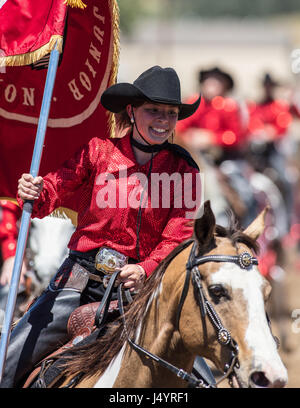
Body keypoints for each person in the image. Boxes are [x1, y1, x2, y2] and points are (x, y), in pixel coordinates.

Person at [0, 65, 201, 387]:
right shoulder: (97, 151)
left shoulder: (184, 169)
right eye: (154, 111)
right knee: (6, 364)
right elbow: (54, 188)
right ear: (132, 111)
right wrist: (35, 192)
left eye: (171, 113)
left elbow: (180, 233)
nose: (163, 120)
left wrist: (146, 269)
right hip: (78, 282)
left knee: (198, 375)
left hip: (143, 289)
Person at [175, 66, 247, 164]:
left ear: (225, 85)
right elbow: (180, 126)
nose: (210, 84)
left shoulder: (229, 106)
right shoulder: (195, 103)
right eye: (208, 80)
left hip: (225, 157)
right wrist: (188, 137)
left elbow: (236, 137)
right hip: (193, 152)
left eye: (216, 81)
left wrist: (212, 138)